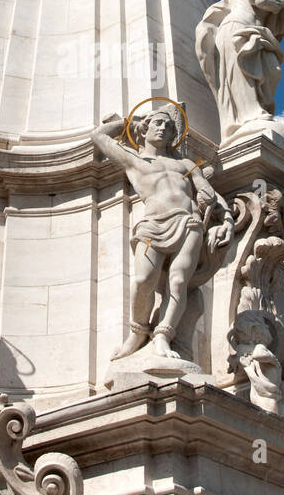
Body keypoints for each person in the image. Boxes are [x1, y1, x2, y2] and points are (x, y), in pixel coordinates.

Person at [92, 107, 232, 359]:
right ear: (144, 129)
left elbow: (211, 194)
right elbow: (99, 136)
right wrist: (127, 123)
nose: (163, 129)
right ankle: (138, 332)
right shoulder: (134, 160)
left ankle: (163, 336)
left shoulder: (185, 164)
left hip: (189, 224)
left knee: (178, 282)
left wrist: (227, 219)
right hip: (153, 224)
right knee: (143, 280)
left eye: (168, 127)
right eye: (157, 123)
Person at [196, 0, 284, 139]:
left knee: (272, 71)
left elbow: (279, 22)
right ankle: (250, 114)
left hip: (254, 32)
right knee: (243, 74)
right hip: (237, 30)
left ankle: (256, 110)